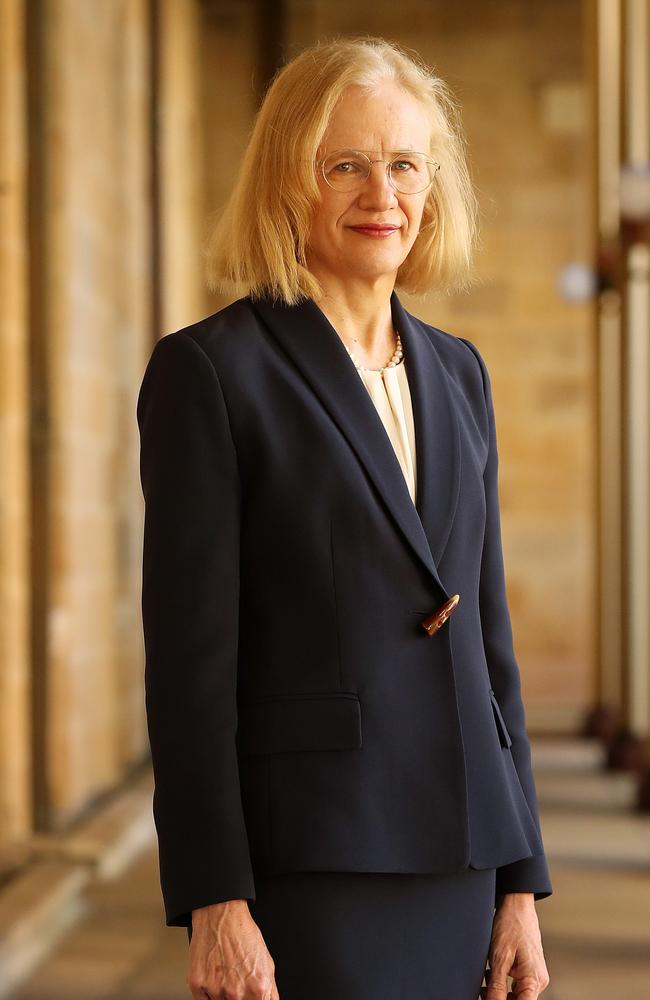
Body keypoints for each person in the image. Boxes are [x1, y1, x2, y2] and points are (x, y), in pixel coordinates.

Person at [137, 34, 552, 1000]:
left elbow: (488, 641)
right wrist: (215, 899)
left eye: (406, 164)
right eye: (347, 166)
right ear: (291, 180)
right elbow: (191, 666)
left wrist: (521, 879)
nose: (384, 195)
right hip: (315, 858)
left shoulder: (460, 373)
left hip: (465, 856)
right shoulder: (211, 372)